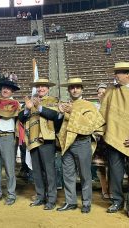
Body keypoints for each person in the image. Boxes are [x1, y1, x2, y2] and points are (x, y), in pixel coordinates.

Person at [39, 78, 105, 214]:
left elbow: (90, 125)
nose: (74, 90)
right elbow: (58, 126)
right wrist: (60, 114)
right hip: (66, 143)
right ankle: (71, 202)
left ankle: (86, 203)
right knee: (67, 175)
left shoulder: (89, 105)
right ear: (68, 90)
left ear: (82, 89)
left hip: (82, 142)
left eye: (77, 87)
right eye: (72, 87)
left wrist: (72, 112)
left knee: (85, 175)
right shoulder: (64, 105)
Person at [18, 78, 58, 210]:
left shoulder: (53, 100)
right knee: (37, 171)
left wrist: (38, 107)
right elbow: (21, 118)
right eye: (39, 86)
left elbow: (54, 115)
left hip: (47, 140)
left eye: (43, 86)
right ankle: (40, 196)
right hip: (33, 140)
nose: (41, 89)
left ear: (48, 88)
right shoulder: (30, 102)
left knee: (49, 171)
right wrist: (27, 109)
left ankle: (51, 199)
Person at [100, 62, 129, 217]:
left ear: (127, 74)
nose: (115, 75)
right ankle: (117, 201)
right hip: (114, 138)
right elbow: (103, 112)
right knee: (115, 173)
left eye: (118, 72)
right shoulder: (111, 90)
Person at [92, 83, 111, 200]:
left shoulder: (113, 106)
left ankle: (112, 189)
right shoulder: (94, 107)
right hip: (100, 140)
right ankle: (104, 190)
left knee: (113, 167)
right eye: (99, 92)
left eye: (103, 92)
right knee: (101, 167)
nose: (101, 94)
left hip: (111, 139)